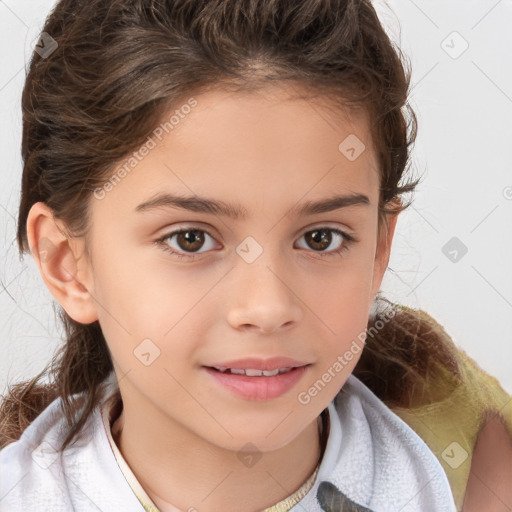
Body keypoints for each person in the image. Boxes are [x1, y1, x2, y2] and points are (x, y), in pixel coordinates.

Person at [0, 1, 510, 511]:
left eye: (320, 238)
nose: (267, 308)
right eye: (190, 239)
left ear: (379, 248)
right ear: (67, 263)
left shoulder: (476, 481)